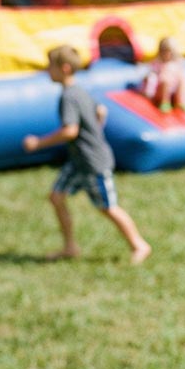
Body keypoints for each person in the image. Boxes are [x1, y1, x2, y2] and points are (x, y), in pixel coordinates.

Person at [22, 45, 151, 264]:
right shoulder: (79, 90)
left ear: (64, 68)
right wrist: (94, 130)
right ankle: (70, 246)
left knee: (108, 207)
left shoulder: (69, 96)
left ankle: (139, 245)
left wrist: (38, 143)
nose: (47, 71)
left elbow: (70, 130)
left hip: (93, 162)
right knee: (56, 197)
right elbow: (101, 111)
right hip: (79, 161)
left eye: (50, 66)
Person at [139, 36, 185, 114]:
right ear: (160, 52)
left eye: (171, 52)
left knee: (183, 79)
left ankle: (181, 102)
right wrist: (147, 92)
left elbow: (183, 80)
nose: (168, 54)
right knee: (166, 80)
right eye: (165, 52)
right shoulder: (157, 63)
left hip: (173, 92)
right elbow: (151, 78)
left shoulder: (177, 64)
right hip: (160, 91)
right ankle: (165, 102)